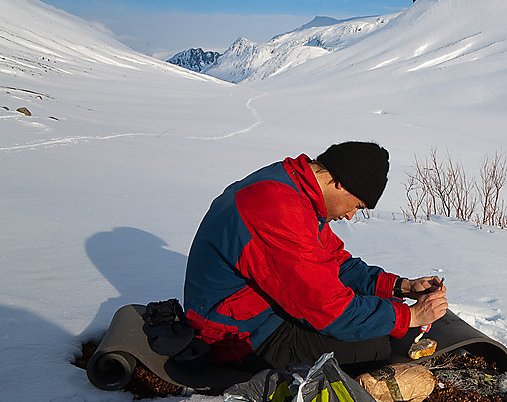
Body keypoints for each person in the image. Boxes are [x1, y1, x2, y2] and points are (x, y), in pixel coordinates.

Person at [183, 141, 448, 373]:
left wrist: (399, 287)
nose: (349, 216)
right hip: (236, 335)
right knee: (373, 347)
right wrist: (410, 317)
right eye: (357, 205)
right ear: (341, 184)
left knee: (375, 316)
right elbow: (330, 310)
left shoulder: (293, 188)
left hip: (258, 310)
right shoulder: (280, 212)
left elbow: (336, 263)